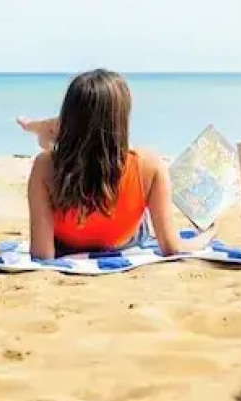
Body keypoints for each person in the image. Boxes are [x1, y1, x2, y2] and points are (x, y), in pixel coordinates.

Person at [18, 69, 213, 261]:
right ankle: (49, 129)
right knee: (117, 155)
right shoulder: (150, 164)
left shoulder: (44, 166)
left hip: (68, 243)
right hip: (124, 239)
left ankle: (46, 128)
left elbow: (42, 254)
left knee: (65, 143)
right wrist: (208, 235)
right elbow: (172, 247)